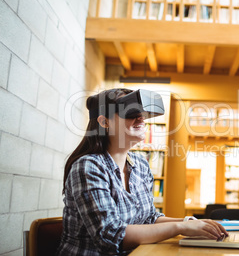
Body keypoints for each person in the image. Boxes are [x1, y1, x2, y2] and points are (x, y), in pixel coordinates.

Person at [56, 88, 228, 255]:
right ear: (104, 122)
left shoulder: (140, 165)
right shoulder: (88, 166)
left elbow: (150, 219)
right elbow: (110, 236)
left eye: (142, 114)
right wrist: (180, 228)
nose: (141, 119)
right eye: (131, 113)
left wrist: (192, 223)